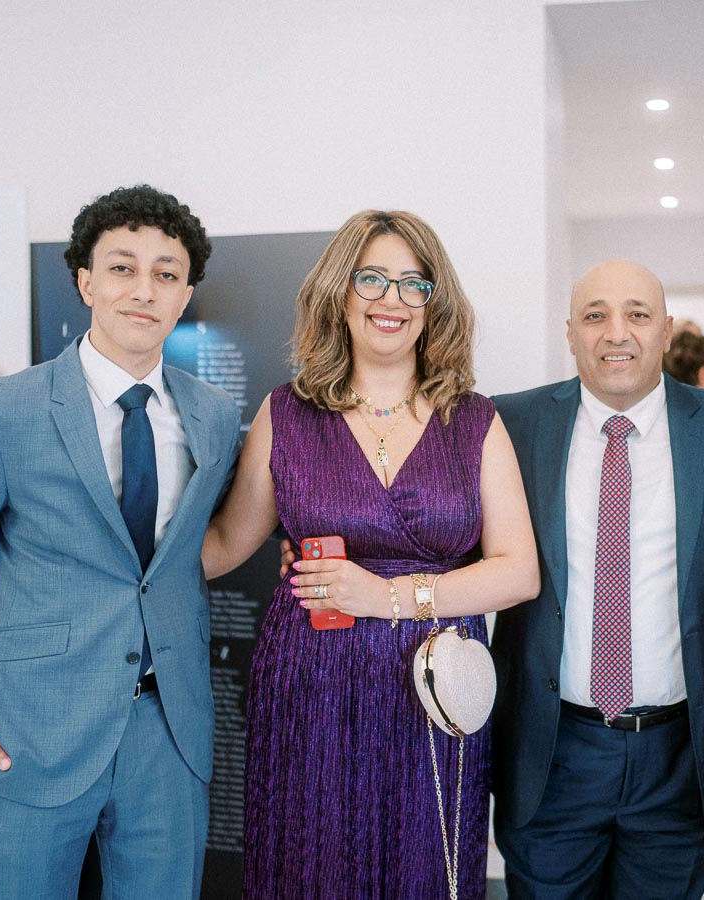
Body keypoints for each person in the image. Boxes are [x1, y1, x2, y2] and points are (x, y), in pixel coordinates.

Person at [0, 185, 240, 897]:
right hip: (30, 735)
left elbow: (182, 561)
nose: (144, 289)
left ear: (184, 297)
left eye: (166, 274)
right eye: (122, 267)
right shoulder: (1, 411)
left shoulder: (212, 416)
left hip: (168, 741)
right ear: (85, 281)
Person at [201, 210, 538, 898]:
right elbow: (224, 546)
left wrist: (385, 597)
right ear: (339, 292)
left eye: (414, 284)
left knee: (427, 868)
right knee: (311, 869)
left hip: (436, 691)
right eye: (373, 278)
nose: (392, 299)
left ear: (432, 304)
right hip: (310, 685)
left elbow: (518, 572)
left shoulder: (474, 420)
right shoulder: (285, 414)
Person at [490, 260, 704, 897]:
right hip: (552, 752)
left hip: (685, 754)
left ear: (666, 331)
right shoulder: (509, 425)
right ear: (571, 333)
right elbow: (442, 538)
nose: (616, 333)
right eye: (595, 316)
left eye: (637, 315)